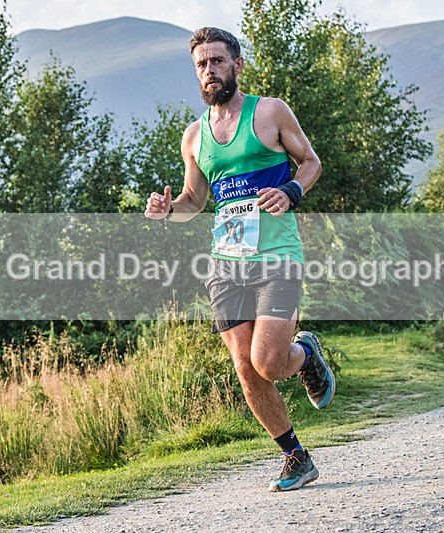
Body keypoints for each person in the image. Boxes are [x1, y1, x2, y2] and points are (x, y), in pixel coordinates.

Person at [144, 27, 335, 492]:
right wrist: (169, 210)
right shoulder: (195, 136)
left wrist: (291, 191)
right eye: (201, 64)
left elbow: (311, 162)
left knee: (268, 362)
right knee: (245, 368)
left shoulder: (269, 112)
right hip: (226, 263)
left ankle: (306, 354)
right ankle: (295, 457)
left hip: (277, 256)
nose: (209, 70)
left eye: (217, 60)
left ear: (237, 64)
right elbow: (194, 200)